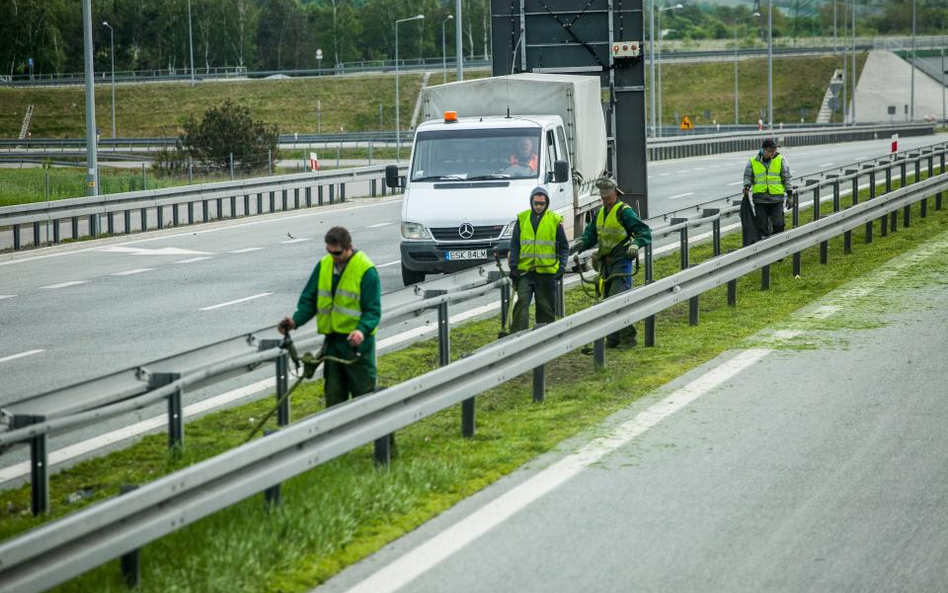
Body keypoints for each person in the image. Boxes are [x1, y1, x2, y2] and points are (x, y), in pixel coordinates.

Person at [279, 226, 381, 408]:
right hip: (333, 344)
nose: (333, 257)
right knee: (334, 399)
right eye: (329, 252)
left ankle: (375, 434)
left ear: (349, 247)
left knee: (365, 398)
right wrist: (295, 321)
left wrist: (361, 330)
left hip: (357, 346)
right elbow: (309, 300)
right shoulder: (324, 265)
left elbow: (372, 311)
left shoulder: (366, 270)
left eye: (337, 253)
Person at [570, 177, 652, 349]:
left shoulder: (625, 212)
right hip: (605, 264)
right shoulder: (600, 213)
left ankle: (628, 339)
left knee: (618, 300)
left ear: (615, 192)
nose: (605, 198)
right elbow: (591, 235)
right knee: (608, 301)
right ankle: (613, 339)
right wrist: (581, 244)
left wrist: (636, 244)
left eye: (607, 195)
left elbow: (644, 232)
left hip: (621, 262)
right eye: (602, 196)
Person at [508, 186, 570, 333]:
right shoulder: (522, 219)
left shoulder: (554, 220)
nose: (538, 207)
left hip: (547, 273)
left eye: (541, 204)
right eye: (536, 203)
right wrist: (514, 267)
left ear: (546, 203)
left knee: (546, 308)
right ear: (531, 202)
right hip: (525, 273)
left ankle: (545, 338)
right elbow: (515, 244)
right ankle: (517, 338)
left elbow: (564, 247)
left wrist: (561, 267)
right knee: (522, 303)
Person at [743, 138, 793, 239]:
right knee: (762, 228)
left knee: (778, 225)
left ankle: (777, 246)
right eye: (771, 150)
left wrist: (790, 195)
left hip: (776, 199)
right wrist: (747, 186)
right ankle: (764, 248)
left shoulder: (780, 160)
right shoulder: (752, 162)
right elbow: (748, 176)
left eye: (774, 150)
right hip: (760, 200)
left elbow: (786, 177)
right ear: (764, 150)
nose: (773, 152)